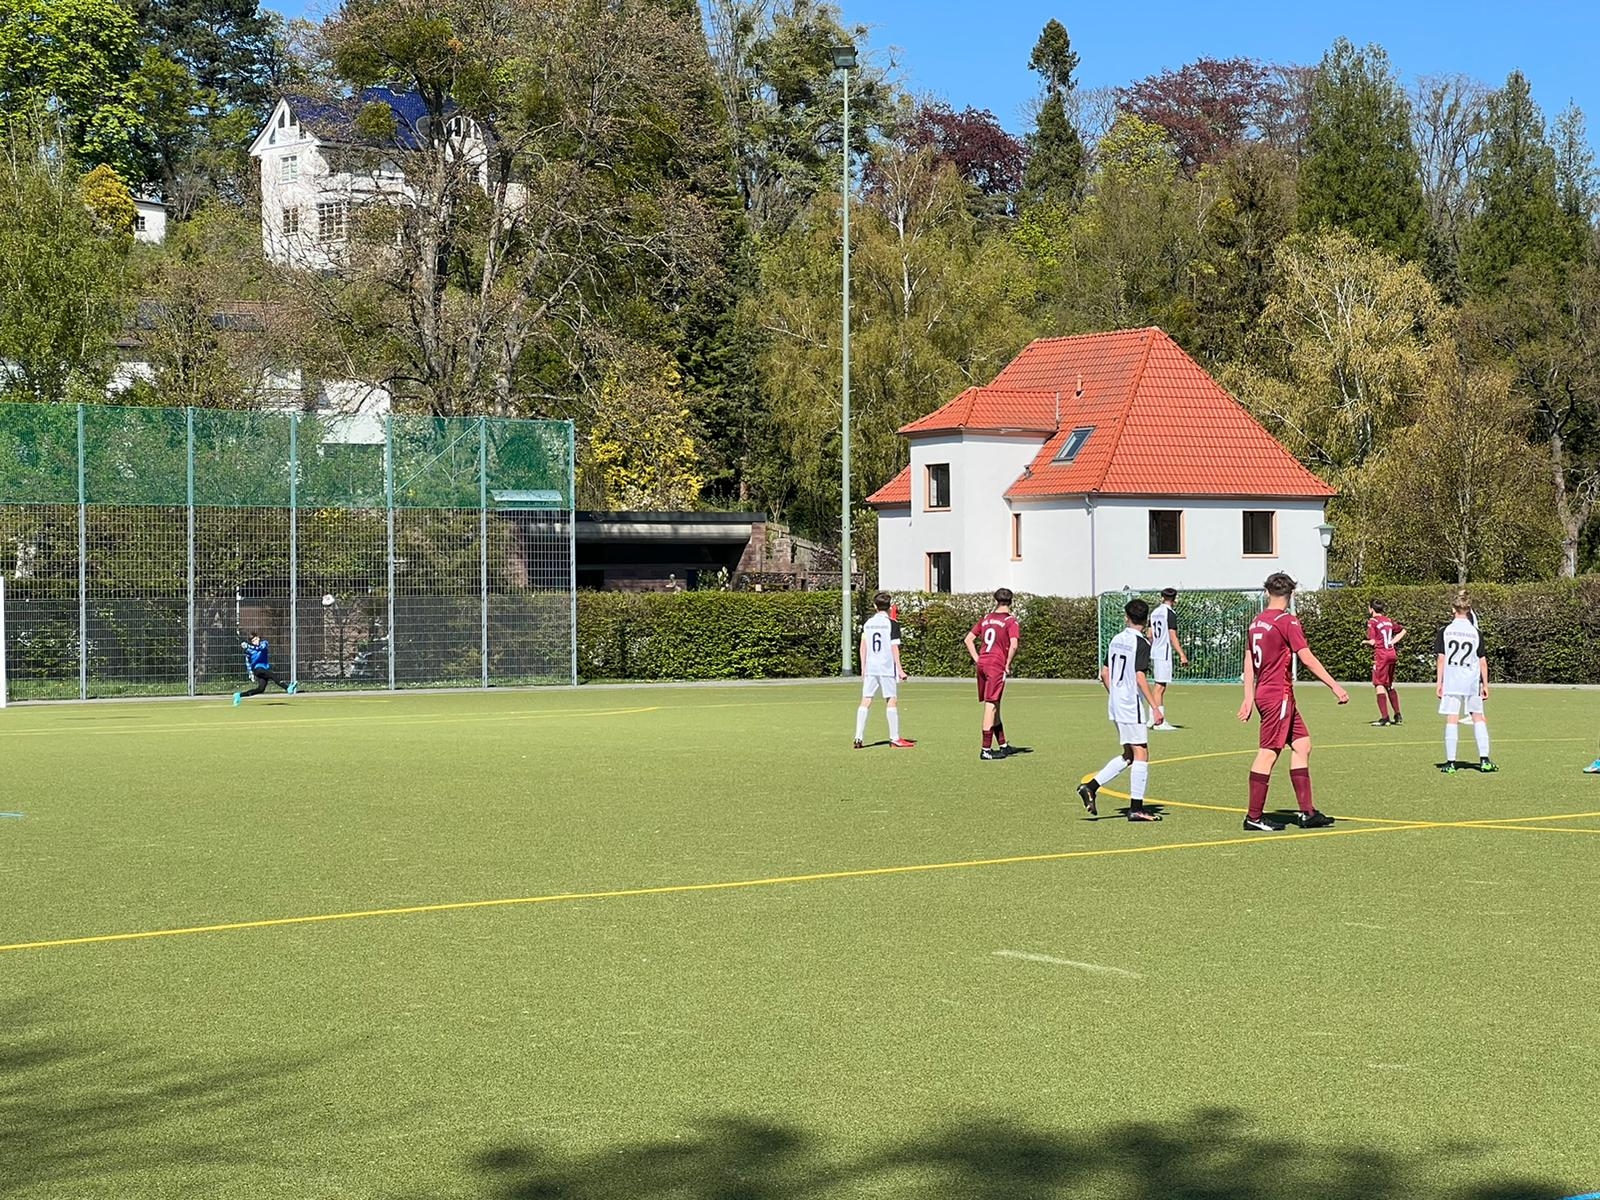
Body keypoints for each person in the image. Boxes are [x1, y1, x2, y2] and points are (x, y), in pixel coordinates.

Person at [1236, 573, 1348, 831]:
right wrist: (1335, 686)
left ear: (1267, 593)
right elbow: (1307, 658)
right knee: (1268, 752)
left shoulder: (1256, 622)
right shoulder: (1287, 621)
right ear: (1291, 594)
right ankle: (1253, 817)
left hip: (1268, 693)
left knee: (1302, 745)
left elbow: (1248, 660)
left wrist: (1248, 697)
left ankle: (1308, 812)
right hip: (1279, 695)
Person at [1079, 597, 1164, 822]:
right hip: (1129, 705)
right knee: (1141, 753)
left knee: (1129, 754)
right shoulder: (1142, 644)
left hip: (1116, 704)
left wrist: (1115, 696)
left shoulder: (1116, 639)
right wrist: (1155, 707)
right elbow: (1139, 676)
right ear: (1145, 620)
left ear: (1127, 617)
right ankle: (1136, 808)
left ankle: (1090, 786)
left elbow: (1104, 674)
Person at [1435, 594, 1496, 774]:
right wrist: (1485, 684)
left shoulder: (1445, 631)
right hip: (1471, 681)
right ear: (1469, 611)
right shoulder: (1476, 633)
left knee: (1452, 718)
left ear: (1453, 609)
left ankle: (1451, 762)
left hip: (1452, 680)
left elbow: (1441, 659)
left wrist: (1439, 682)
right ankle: (1484, 760)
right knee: (1478, 718)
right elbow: (1482, 661)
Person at [964, 588, 1020, 761]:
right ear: (1011, 602)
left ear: (995, 601)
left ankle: (1003, 744)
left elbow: (968, 639)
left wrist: (977, 659)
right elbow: (1014, 645)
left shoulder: (986, 618)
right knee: (991, 705)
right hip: (996, 665)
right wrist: (1007, 664)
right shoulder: (1011, 621)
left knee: (995, 703)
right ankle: (986, 749)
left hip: (983, 664)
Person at [855, 592, 914, 749]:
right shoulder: (892, 624)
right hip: (886, 667)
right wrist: (900, 670)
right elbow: (894, 647)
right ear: (889, 607)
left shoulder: (867, 623)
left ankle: (858, 737)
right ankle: (894, 738)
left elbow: (863, 646)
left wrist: (863, 668)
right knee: (891, 700)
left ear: (875, 606)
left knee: (866, 700)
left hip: (871, 667)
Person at [1148, 587, 1188, 731]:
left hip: (1155, 651)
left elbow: (1149, 634)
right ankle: (1159, 722)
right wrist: (1182, 654)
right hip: (1163, 652)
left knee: (1157, 685)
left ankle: (1152, 718)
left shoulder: (1154, 612)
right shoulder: (1169, 614)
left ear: (1162, 597)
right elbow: (1172, 636)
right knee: (1160, 686)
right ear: (1174, 599)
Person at [1364, 600, 1407, 727]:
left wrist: (1365, 642)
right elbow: (1403, 631)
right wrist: (1392, 642)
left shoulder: (1372, 622)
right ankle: (1398, 715)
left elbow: (1372, 641)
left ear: (1371, 609)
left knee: (1379, 684)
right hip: (1392, 653)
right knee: (1389, 684)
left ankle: (1385, 718)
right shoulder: (1388, 620)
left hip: (1381, 655)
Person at [234, 634, 295, 705]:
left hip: (264, 668)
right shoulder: (248, 650)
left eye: (256, 639)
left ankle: (239, 695)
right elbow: (247, 661)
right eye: (253, 641)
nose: (255, 641)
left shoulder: (264, 643)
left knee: (261, 689)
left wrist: (248, 646)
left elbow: (259, 648)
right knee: (272, 675)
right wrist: (250, 673)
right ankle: (287, 688)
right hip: (257, 669)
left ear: (259, 638)